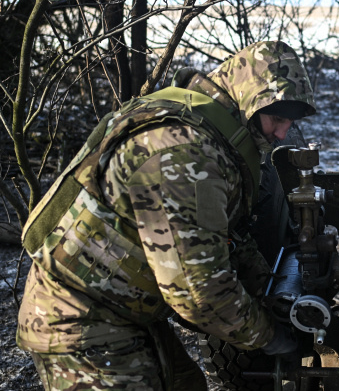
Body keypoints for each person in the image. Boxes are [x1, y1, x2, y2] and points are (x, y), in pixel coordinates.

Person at [17, 41, 315, 390]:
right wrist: (271, 337)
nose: (282, 133)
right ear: (247, 99)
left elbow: (221, 238)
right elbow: (200, 294)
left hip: (122, 310)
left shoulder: (205, 130)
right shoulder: (186, 155)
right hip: (79, 323)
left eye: (288, 122)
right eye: (276, 118)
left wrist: (268, 287)